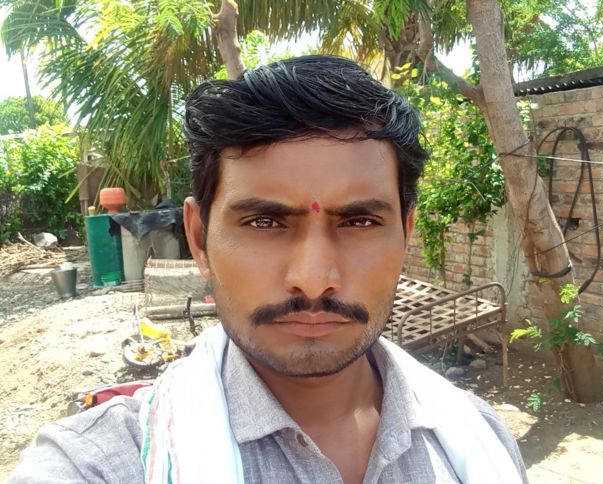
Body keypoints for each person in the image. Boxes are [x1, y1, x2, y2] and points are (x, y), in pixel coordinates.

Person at [10, 55, 527, 484]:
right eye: (264, 222)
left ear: (406, 235)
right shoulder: (97, 464)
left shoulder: (480, 439)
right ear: (198, 238)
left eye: (360, 221)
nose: (314, 279)